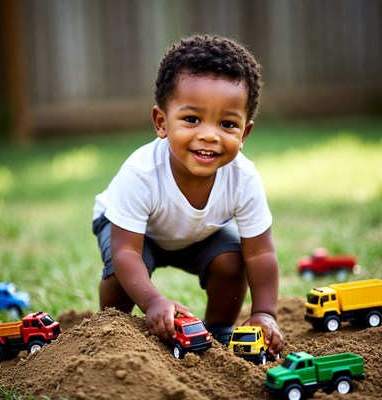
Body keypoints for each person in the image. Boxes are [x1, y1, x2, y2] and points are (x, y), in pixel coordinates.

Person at [92, 34, 283, 355]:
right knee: (119, 274)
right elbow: (126, 251)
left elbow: (260, 254)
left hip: (198, 234)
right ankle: (113, 329)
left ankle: (219, 330)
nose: (209, 134)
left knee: (232, 260)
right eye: (192, 119)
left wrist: (265, 312)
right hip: (133, 234)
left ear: (245, 132)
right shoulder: (141, 173)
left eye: (227, 123)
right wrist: (153, 301)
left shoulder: (243, 177)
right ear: (161, 122)